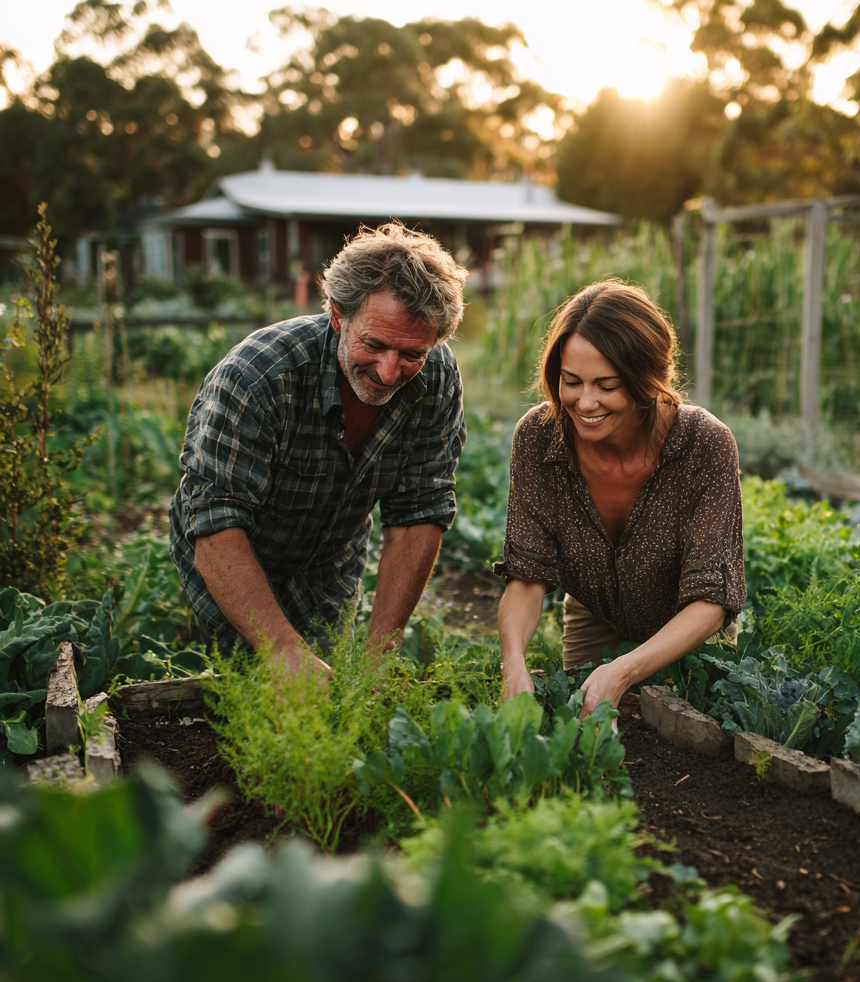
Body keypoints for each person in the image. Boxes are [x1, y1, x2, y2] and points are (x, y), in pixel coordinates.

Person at [169, 223, 468, 674]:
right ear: (336, 314)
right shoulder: (258, 376)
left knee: (338, 683)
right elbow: (215, 521)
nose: (389, 372)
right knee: (251, 684)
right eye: (374, 345)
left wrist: (380, 650)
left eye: (411, 354)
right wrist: (281, 649)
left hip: (331, 558)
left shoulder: (437, 377)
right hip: (235, 550)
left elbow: (419, 514)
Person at [494, 280, 745, 719]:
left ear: (648, 380)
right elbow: (527, 575)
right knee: (587, 726)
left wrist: (625, 669)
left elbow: (710, 599)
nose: (584, 402)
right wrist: (513, 663)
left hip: (686, 628)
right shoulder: (539, 437)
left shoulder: (705, 445)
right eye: (570, 381)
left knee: (684, 741)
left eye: (606, 386)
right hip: (595, 614)